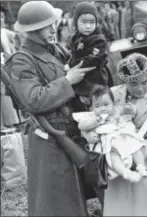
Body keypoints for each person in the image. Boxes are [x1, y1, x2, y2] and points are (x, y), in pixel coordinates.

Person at [9, 1, 95, 216]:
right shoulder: (22, 60)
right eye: (47, 26)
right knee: (57, 201)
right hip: (49, 137)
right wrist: (68, 80)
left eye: (52, 24)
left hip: (70, 129)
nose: (53, 29)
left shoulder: (55, 50)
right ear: (33, 30)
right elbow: (34, 100)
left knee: (76, 195)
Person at [103, 53, 147, 216]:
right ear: (124, 81)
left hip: (143, 162)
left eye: (144, 82)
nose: (140, 88)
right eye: (133, 84)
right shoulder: (112, 94)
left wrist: (134, 159)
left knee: (143, 210)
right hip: (116, 163)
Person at [73, 84, 147, 183]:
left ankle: (141, 167)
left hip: (122, 138)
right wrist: (96, 121)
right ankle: (125, 172)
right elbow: (81, 125)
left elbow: (127, 115)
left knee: (136, 147)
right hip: (108, 142)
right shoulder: (92, 117)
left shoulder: (116, 113)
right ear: (91, 108)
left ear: (113, 104)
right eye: (97, 106)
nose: (102, 109)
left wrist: (125, 116)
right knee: (113, 156)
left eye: (106, 104)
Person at [68, 1, 107, 104]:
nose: (88, 26)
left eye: (92, 22)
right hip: (80, 79)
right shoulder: (76, 37)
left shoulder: (98, 40)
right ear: (76, 22)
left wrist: (71, 65)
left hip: (94, 81)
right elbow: (73, 53)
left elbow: (92, 59)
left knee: (96, 105)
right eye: (84, 22)